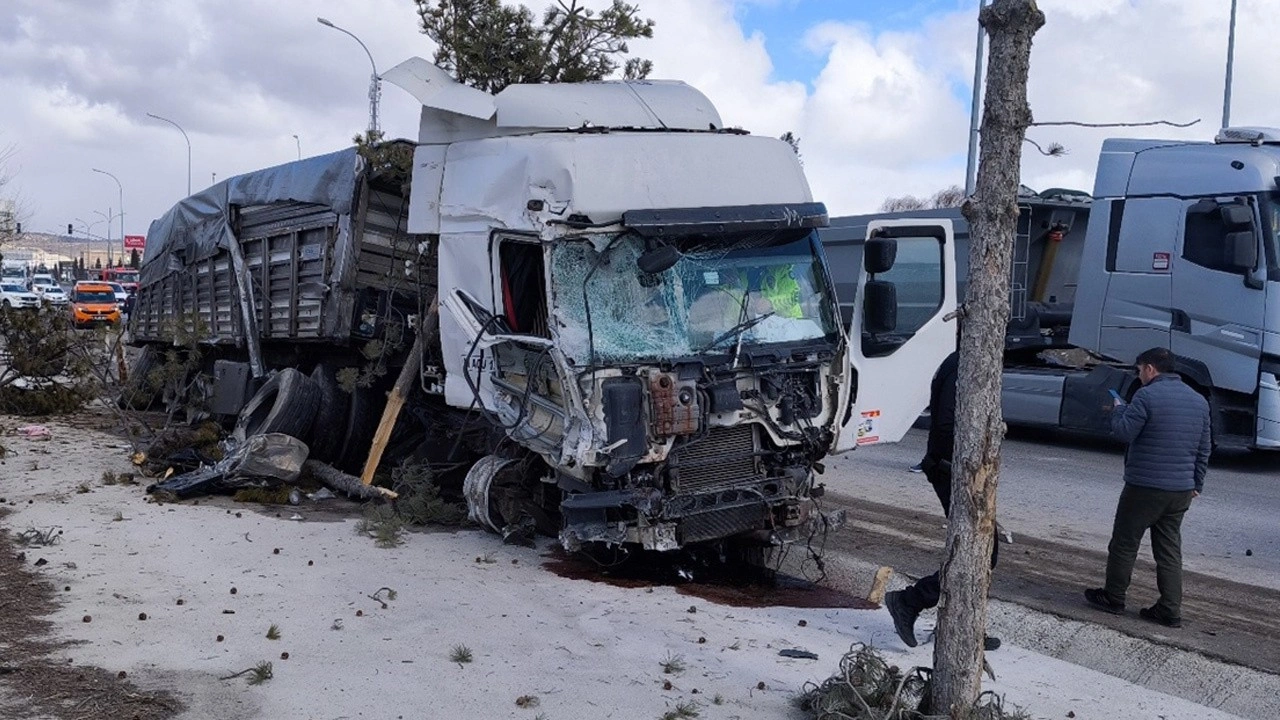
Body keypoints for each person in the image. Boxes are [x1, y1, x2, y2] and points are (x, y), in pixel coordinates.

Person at [883, 350, 1001, 652]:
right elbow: (948, 423)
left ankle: (963, 626)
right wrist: (974, 458)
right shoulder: (963, 365)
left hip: (958, 469)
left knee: (981, 551)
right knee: (981, 552)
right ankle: (910, 601)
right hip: (952, 469)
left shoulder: (967, 361)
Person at [1085, 347, 1211, 628]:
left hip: (1145, 487)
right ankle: (1169, 609)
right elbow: (1204, 449)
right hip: (1181, 490)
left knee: (1125, 542)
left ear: (1151, 369)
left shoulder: (1146, 396)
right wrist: (1196, 483)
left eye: (1139, 370)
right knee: (1168, 549)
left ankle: (1114, 597)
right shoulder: (1199, 401)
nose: (1139, 375)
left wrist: (1119, 411)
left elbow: (1124, 432)